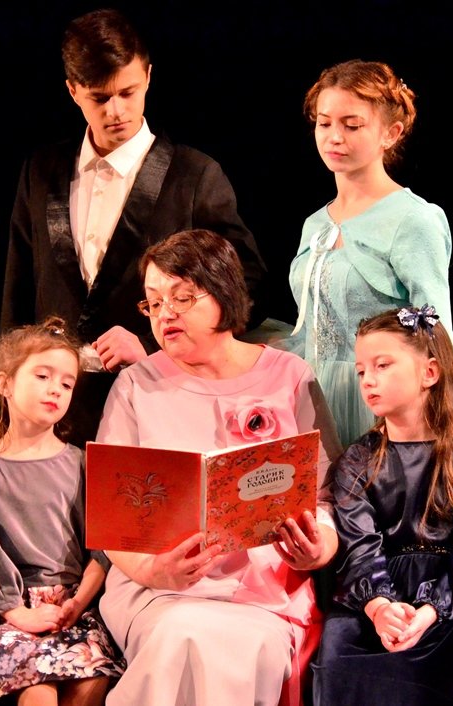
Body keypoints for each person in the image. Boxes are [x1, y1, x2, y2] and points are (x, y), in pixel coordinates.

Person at [95, 229, 342, 706]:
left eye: (181, 297)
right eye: (153, 302)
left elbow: (326, 497)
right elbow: (112, 518)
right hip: (161, 590)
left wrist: (318, 548)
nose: (165, 313)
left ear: (222, 292)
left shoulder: (290, 376)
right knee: (180, 634)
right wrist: (154, 572)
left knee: (241, 644)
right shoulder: (136, 386)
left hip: (265, 595)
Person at [1, 8, 268, 449]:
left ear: (147, 75)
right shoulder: (42, 170)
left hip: (161, 402)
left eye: (128, 92)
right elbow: (19, 286)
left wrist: (152, 342)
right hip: (55, 409)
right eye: (100, 98)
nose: (117, 111)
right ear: (73, 91)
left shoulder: (194, 176)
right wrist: (11, 380)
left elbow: (247, 288)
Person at [310, 305, 453, 705]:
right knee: (340, 657)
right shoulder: (359, 460)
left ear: (429, 372)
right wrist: (380, 608)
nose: (368, 380)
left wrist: (431, 609)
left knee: (442, 669)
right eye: (361, 371)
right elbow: (360, 550)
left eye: (382, 366)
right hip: (379, 592)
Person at [280, 59, 453, 448]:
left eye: (352, 125)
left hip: (380, 402)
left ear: (391, 133)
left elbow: (435, 330)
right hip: (314, 398)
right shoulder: (315, 224)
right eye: (324, 123)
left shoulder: (412, 219)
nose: (334, 137)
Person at [0, 316, 126, 706]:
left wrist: (77, 603)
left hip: (74, 608)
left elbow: (102, 547)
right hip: (14, 614)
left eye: (67, 383)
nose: (55, 389)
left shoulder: (81, 463)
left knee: (92, 678)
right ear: (5, 384)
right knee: (38, 688)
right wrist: (19, 614)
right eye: (42, 376)